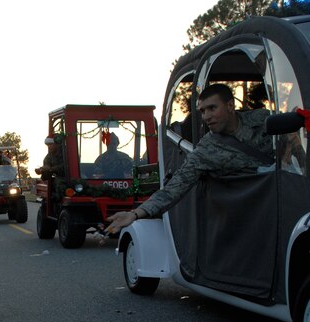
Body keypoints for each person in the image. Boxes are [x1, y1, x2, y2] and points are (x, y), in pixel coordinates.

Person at [107, 83, 272, 233]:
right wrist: (134, 214)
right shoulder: (206, 150)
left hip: (281, 199)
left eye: (212, 108)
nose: (206, 116)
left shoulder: (263, 119)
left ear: (230, 106)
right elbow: (175, 187)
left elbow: (293, 139)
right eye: (202, 111)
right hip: (248, 215)